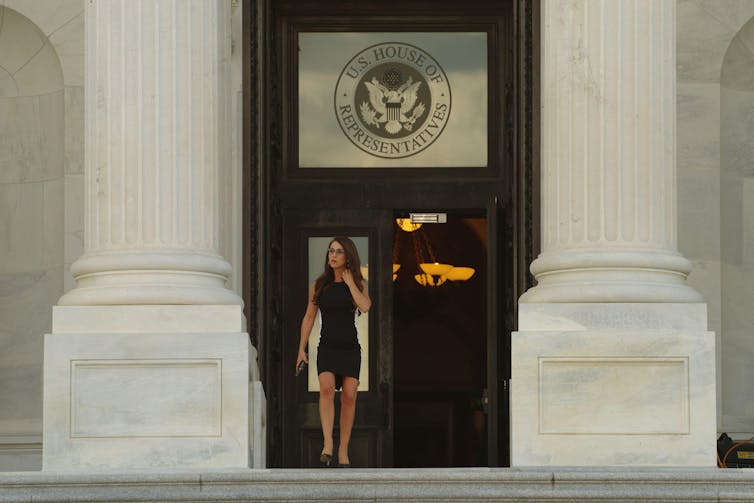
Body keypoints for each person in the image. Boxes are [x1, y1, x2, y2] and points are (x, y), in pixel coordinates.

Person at [296, 237, 371, 468]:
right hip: (327, 346)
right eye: (330, 251)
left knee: (349, 397)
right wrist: (301, 349)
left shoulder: (358, 283)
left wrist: (349, 283)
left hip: (350, 348)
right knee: (326, 389)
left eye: (338, 251)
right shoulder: (319, 285)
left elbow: (365, 306)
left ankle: (343, 451)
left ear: (348, 256)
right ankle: (327, 444)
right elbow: (309, 317)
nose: (333, 255)